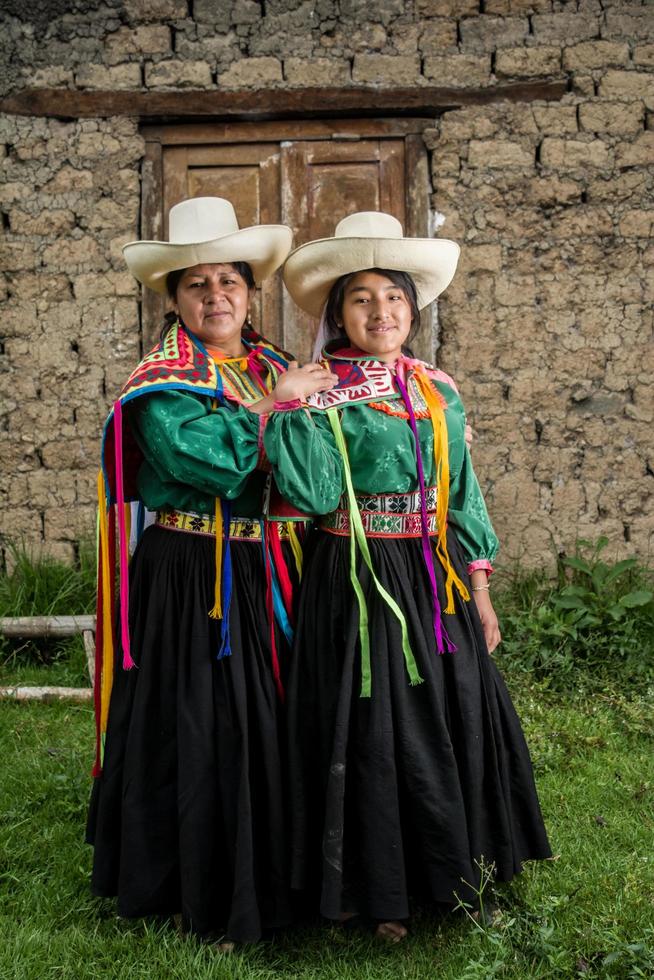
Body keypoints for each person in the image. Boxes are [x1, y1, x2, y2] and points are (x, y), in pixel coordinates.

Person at [263, 211, 552, 942]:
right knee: (369, 725)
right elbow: (317, 494)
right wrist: (293, 409)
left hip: (434, 575)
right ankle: (373, 890)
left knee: (450, 711)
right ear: (339, 314)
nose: (380, 312)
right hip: (356, 576)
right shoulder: (323, 391)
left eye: (392, 298)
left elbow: (464, 492)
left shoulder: (436, 389)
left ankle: (459, 870)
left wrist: (480, 589)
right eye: (361, 300)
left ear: (411, 309)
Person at [86, 197, 336, 946]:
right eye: (198, 285)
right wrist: (274, 411)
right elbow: (210, 462)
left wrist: (284, 411)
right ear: (174, 299)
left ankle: (277, 879)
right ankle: (192, 885)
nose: (217, 296)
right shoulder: (159, 383)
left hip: (266, 571)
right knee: (197, 726)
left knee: (269, 723)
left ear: (250, 291)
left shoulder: (272, 366)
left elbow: (315, 478)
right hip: (188, 573)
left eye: (230, 281)